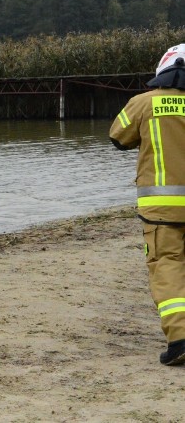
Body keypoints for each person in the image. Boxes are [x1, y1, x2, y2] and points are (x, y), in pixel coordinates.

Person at [110, 43, 185, 366]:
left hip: (162, 211)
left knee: (167, 266)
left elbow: (117, 136)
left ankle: (180, 338)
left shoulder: (142, 103)